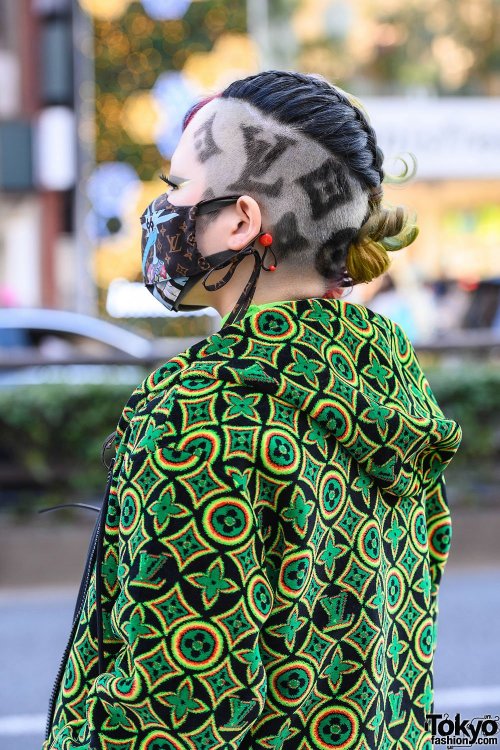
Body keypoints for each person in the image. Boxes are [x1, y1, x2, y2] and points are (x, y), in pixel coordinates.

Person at [44, 70, 461, 750]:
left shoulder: (200, 415)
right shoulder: (390, 388)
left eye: (177, 190)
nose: (161, 212)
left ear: (241, 220)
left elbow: (164, 715)